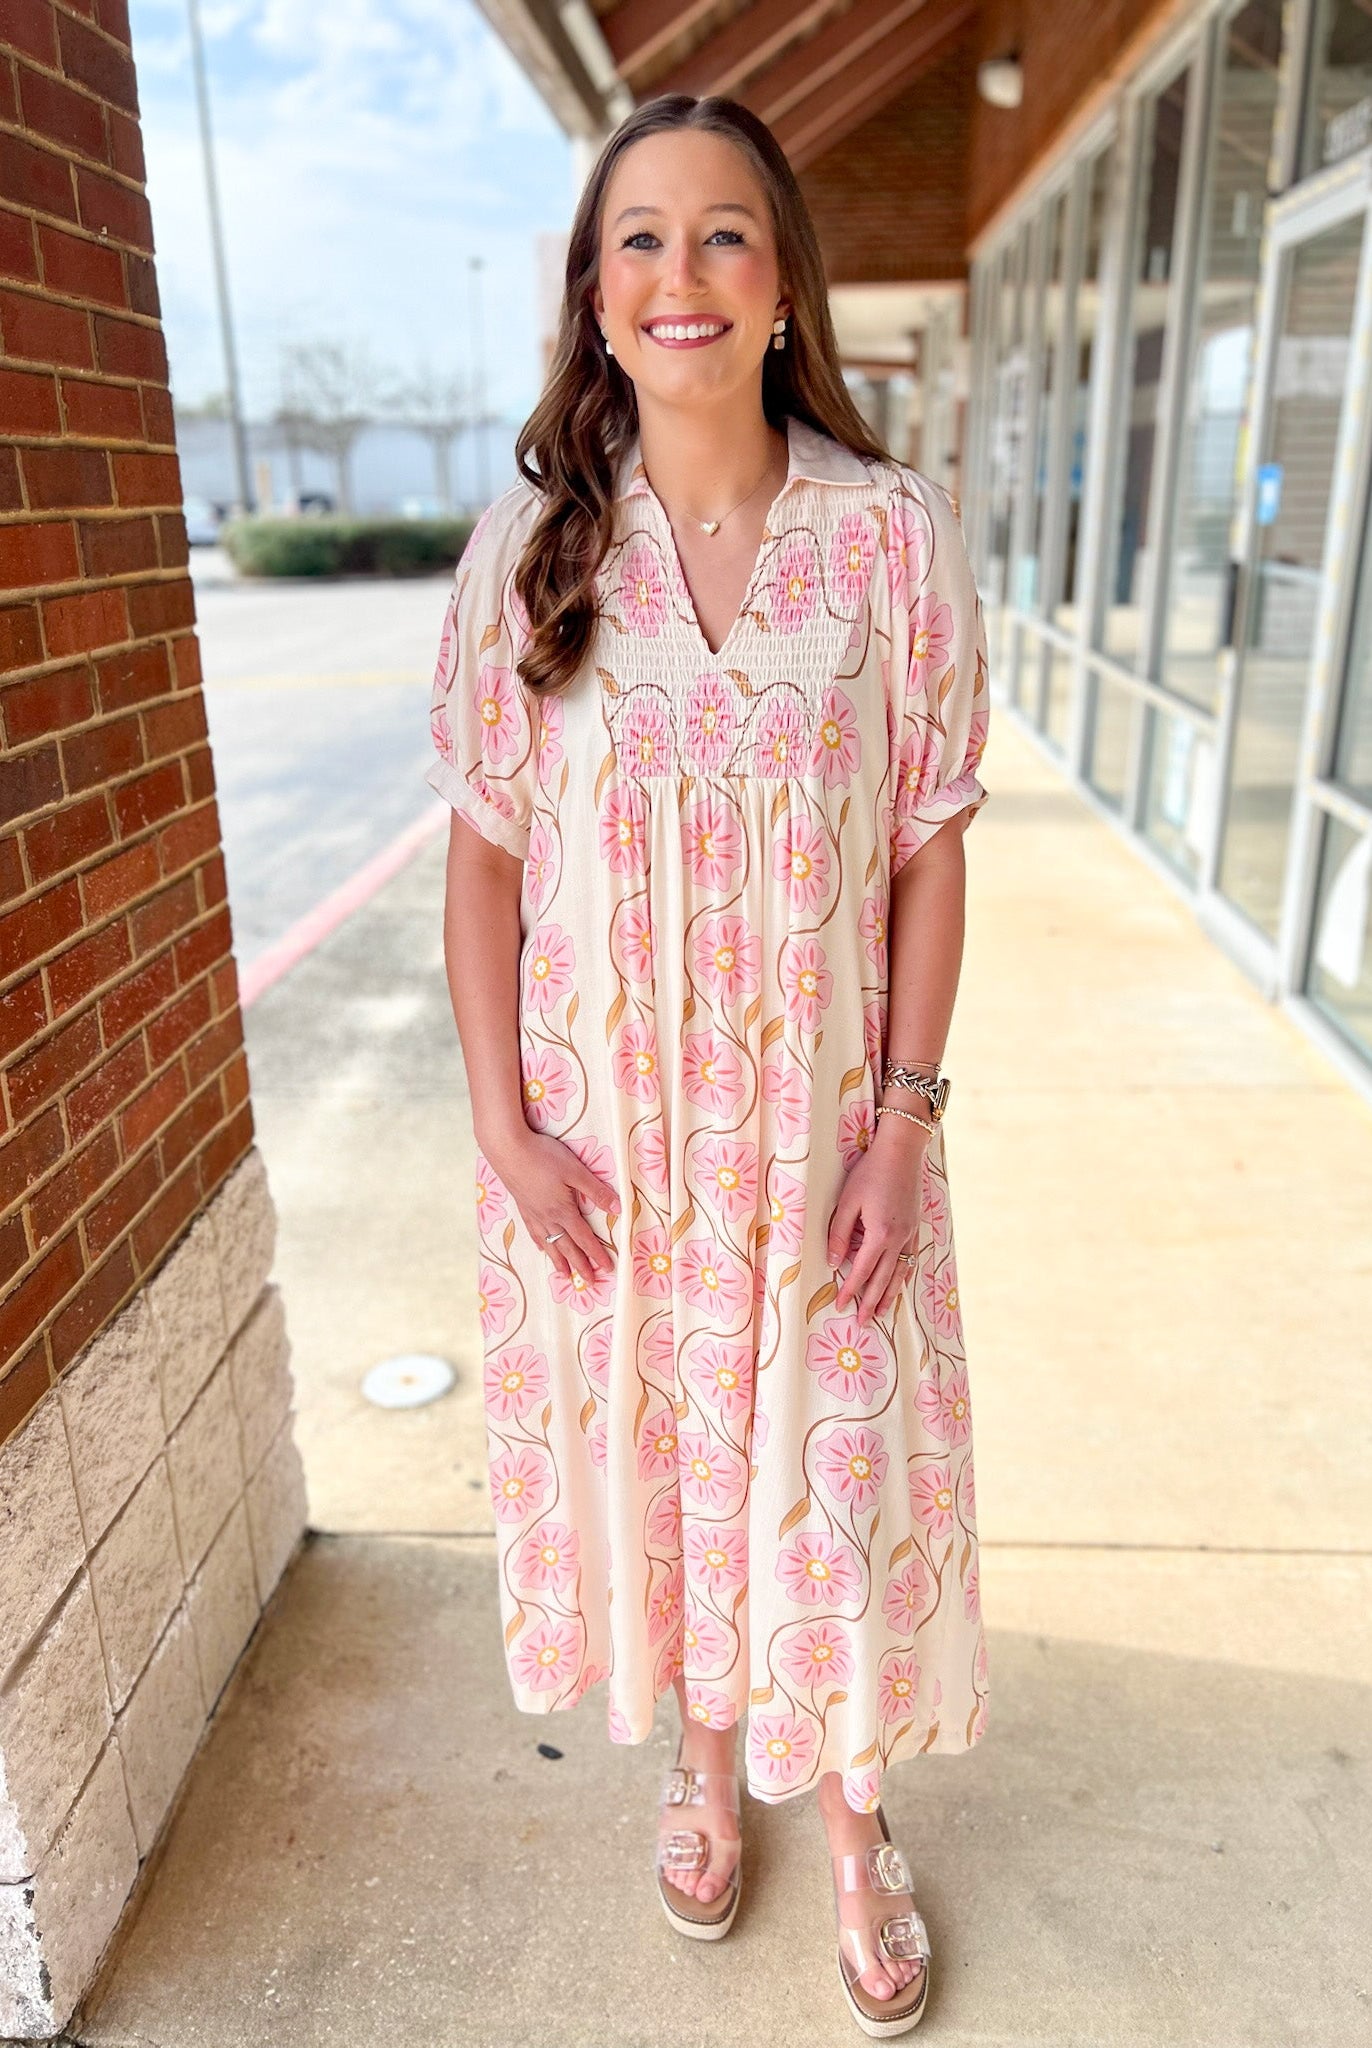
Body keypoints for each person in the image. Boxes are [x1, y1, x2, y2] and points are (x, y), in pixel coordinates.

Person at [426, 91, 990, 2040]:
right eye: (636, 238)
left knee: (819, 1489)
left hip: (826, 1144)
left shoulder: (892, 539)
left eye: (722, 234)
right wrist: (503, 1125)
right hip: (617, 1158)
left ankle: (848, 1821)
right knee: (667, 1484)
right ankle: (695, 1757)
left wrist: (906, 1123)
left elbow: (928, 841)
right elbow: (484, 857)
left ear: (779, 285)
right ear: (592, 296)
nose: (679, 274)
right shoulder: (529, 552)